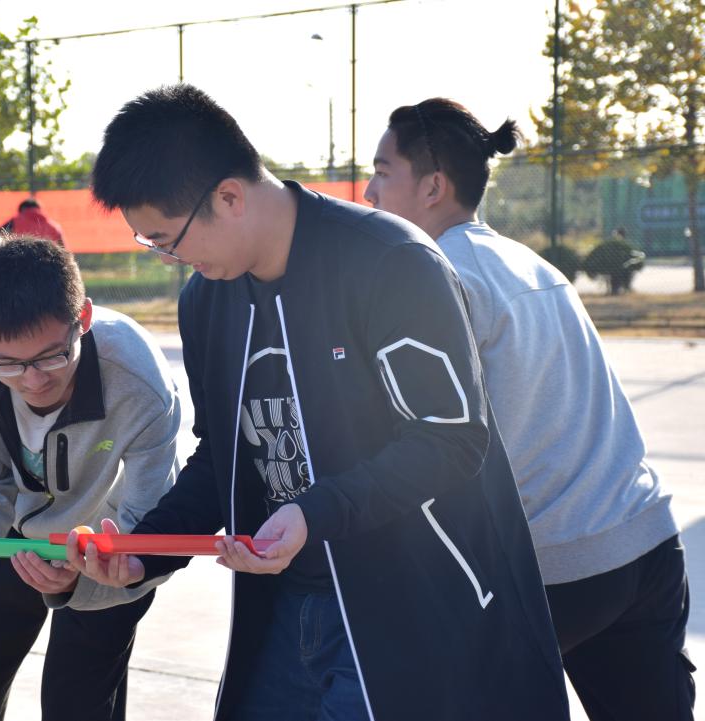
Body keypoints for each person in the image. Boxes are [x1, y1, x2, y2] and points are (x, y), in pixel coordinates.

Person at [71, 83, 569, 721]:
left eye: (168, 239)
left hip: (410, 608)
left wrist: (314, 512)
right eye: (153, 244)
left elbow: (450, 439)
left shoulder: (390, 262)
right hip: (286, 607)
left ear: (229, 197)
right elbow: (226, 453)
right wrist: (141, 551)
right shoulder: (206, 300)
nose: (170, 259)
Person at [364, 97, 694, 721]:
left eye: (382, 172)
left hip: (555, 568)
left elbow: (416, 446)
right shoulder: (529, 262)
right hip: (645, 542)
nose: (369, 191)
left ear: (433, 187)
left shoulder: (438, 277)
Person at [0, 236, 179, 721]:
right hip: (12, 534)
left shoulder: (138, 379)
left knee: (76, 704)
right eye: (8, 364)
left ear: (83, 318)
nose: (34, 380)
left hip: (106, 540)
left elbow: (152, 524)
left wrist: (96, 576)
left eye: (52, 356)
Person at [0, 197, 65, 245]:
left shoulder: (15, 221)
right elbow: (63, 250)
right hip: (47, 259)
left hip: (21, 258)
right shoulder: (54, 226)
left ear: (23, 209)